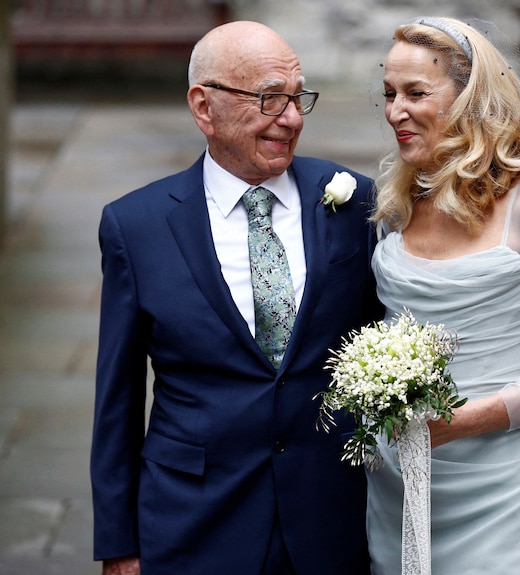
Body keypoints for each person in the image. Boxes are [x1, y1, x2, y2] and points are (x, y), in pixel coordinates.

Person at [90, 21, 382, 575]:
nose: (292, 118)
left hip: (331, 517)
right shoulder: (136, 225)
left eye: (299, 99)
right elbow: (118, 400)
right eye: (271, 98)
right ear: (204, 107)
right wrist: (119, 543)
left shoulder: (352, 202)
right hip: (193, 521)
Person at [366, 17, 520, 574]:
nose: (394, 112)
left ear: (468, 97)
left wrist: (468, 419)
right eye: (388, 94)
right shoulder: (397, 207)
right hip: (401, 485)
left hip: (504, 494)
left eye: (415, 93)